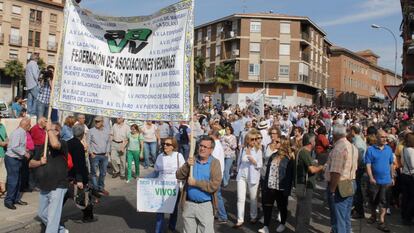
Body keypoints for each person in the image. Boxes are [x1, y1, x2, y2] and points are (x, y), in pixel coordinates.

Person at [176, 136, 222, 233]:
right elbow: (179, 176)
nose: (202, 148)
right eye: (201, 145)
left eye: (206, 147)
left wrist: (196, 183)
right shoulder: (192, 160)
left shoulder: (215, 163)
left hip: (205, 206)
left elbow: (214, 186)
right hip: (189, 204)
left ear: (211, 150)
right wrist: (187, 165)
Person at [29, 122, 69, 232]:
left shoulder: (63, 143)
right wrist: (40, 162)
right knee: (42, 214)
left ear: (57, 132)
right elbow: (30, 163)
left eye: (51, 129)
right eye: (47, 130)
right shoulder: (43, 146)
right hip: (44, 185)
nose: (47, 131)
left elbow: (55, 145)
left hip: (58, 185)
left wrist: (49, 130)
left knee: (52, 217)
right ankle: (60, 230)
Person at [325, 125, 358, 233]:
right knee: (345, 217)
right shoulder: (352, 147)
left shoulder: (339, 148)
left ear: (335, 135)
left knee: (338, 219)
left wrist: (332, 190)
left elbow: (336, 172)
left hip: (340, 185)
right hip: (351, 182)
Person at [259, 138, 294, 233]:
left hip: (281, 187)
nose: (275, 143)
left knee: (282, 207)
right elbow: (267, 172)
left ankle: (282, 223)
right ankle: (266, 226)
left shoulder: (288, 159)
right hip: (270, 186)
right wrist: (265, 185)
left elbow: (290, 176)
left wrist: (287, 189)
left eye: (278, 142)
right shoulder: (273, 156)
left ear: (283, 144)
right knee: (267, 206)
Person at [365, 129, 394, 232]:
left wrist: (392, 177)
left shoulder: (389, 149)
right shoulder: (370, 149)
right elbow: (368, 165)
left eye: (385, 137)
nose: (384, 139)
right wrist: (371, 177)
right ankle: (373, 215)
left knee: (384, 201)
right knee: (373, 200)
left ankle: (381, 221)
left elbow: (391, 164)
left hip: (386, 181)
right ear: (376, 137)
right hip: (374, 181)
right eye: (382, 137)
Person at [66, 124, 96, 223]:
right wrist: (79, 180)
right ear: (82, 134)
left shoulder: (68, 143)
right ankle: (88, 216)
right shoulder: (78, 145)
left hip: (68, 175)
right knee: (83, 197)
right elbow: (79, 164)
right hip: (77, 176)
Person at [295, 133, 324, 233]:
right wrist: (321, 167)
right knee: (305, 211)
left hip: (303, 184)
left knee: (301, 209)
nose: (315, 143)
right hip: (305, 185)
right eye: (314, 141)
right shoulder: (304, 152)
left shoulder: (303, 152)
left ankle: (300, 229)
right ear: (311, 142)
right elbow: (311, 169)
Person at [154, 137, 185, 233]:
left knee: (173, 209)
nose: (165, 146)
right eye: (164, 143)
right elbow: (155, 172)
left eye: (168, 144)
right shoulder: (160, 156)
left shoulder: (178, 156)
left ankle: (171, 227)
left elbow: (183, 171)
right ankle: (158, 231)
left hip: (174, 187)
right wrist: (143, 180)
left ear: (173, 146)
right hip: (161, 186)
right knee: (160, 210)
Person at [234, 129, 263, 228]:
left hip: (253, 176)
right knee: (240, 198)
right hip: (242, 175)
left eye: (255, 139)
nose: (254, 141)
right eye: (252, 139)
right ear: (247, 140)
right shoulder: (243, 149)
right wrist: (237, 170)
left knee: (253, 198)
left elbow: (260, 165)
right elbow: (239, 161)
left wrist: (253, 160)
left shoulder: (258, 150)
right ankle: (240, 219)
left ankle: (253, 216)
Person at [4, 118, 31, 210]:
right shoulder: (18, 132)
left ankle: (15, 198)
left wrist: (24, 150)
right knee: (13, 181)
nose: (30, 127)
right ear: (26, 125)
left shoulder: (22, 132)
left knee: (18, 180)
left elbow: (18, 146)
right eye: (29, 125)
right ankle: (8, 201)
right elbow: (15, 147)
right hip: (12, 159)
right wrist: (24, 153)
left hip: (17, 159)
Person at [87, 116, 111, 196]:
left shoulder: (107, 131)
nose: (96, 123)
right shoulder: (91, 131)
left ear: (102, 122)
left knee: (103, 173)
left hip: (104, 155)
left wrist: (107, 152)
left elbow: (108, 142)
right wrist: (91, 153)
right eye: (96, 121)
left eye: (98, 121)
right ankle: (95, 189)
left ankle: (101, 187)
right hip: (95, 155)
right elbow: (88, 143)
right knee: (93, 173)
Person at [348, 125, 367, 219]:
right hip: (359, 167)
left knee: (356, 189)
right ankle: (356, 208)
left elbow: (357, 158)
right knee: (356, 189)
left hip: (357, 168)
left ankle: (359, 211)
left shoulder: (357, 142)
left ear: (353, 131)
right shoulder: (359, 140)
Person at [209, 130, 228, 223]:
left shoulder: (216, 145)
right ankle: (218, 213)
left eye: (209, 135)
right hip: (218, 172)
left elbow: (213, 160)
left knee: (217, 195)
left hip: (216, 173)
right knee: (215, 194)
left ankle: (222, 215)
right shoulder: (217, 144)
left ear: (213, 136)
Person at [401, 132, 414, 225]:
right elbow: (413, 165)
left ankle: (404, 215)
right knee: (412, 198)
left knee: (405, 197)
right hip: (411, 176)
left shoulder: (404, 149)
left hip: (405, 174)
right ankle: (408, 217)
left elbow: (402, 162)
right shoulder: (411, 151)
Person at [0, 115, 8, 197]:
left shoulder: (2, 126)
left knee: (3, 173)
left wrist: (7, 141)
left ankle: (3, 190)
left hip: (3, 153)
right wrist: (5, 143)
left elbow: (6, 137)